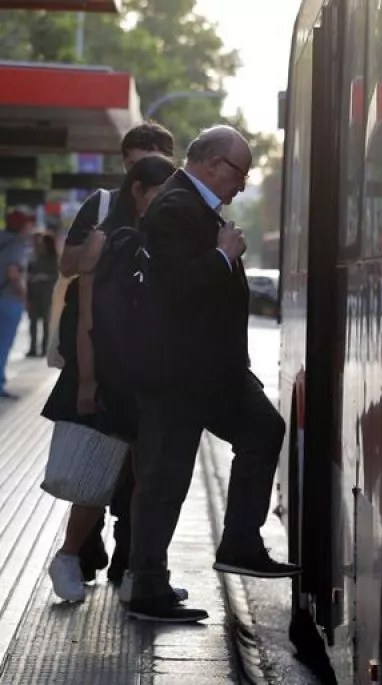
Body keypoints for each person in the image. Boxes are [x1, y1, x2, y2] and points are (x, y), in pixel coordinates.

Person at [127, 125, 298, 623]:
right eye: (240, 172)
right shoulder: (177, 207)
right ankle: (147, 590)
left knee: (263, 429)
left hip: (209, 373)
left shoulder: (194, 206)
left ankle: (241, 542)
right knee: (165, 480)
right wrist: (223, 255)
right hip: (179, 375)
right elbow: (176, 288)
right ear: (213, 164)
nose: (242, 184)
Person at [41, 156, 187, 603]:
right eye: (161, 193)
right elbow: (87, 318)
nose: (168, 203)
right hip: (107, 374)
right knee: (96, 478)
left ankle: (139, 574)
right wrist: (87, 382)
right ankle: (67, 556)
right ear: (138, 190)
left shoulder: (166, 239)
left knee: (147, 480)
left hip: (150, 376)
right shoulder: (106, 240)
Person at [0, 211, 34, 399]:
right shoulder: (17, 245)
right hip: (8, 299)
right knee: (3, 344)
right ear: (21, 226)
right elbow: (13, 274)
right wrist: (24, 296)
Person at [25, 233, 56, 357]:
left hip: (46, 295)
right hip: (33, 294)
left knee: (45, 323)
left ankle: (44, 348)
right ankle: (33, 348)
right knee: (32, 323)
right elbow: (27, 276)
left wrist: (43, 277)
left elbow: (56, 276)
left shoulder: (52, 258)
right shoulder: (33, 258)